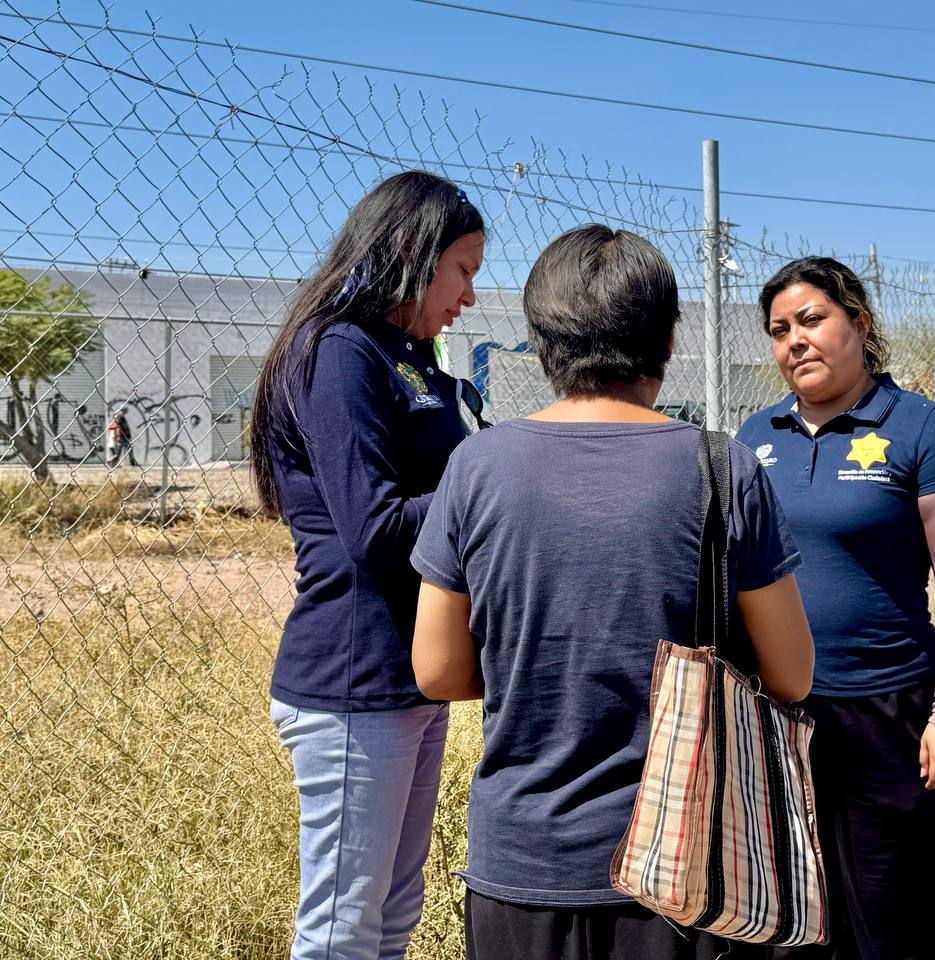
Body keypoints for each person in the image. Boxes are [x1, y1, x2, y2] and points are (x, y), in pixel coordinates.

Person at [408, 224, 815, 960]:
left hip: (519, 866)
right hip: (686, 869)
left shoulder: (476, 467)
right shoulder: (724, 469)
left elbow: (435, 671)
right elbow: (792, 675)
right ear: (666, 341)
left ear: (542, 342)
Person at [248, 170, 485, 960]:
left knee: (392, 915)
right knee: (342, 928)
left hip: (411, 674)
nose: (470, 297)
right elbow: (375, 529)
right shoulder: (340, 351)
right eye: (464, 271)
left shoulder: (409, 357)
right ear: (415, 254)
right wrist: (488, 480)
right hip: (353, 679)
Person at [735, 257, 935, 960]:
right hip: (777, 722)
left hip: (890, 720)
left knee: (890, 926)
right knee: (782, 930)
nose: (795, 340)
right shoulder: (752, 440)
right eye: (780, 329)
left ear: (860, 324)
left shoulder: (920, 429)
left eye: (812, 320)